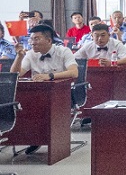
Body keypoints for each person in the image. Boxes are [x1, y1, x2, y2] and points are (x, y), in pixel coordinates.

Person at [10, 24, 79, 155]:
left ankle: (45, 139)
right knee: (21, 107)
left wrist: (50, 76)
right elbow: (14, 76)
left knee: (37, 108)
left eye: (36, 39)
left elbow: (74, 72)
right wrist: (19, 57)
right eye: (31, 39)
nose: (32, 42)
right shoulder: (30, 54)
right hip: (36, 96)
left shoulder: (64, 51)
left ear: (48, 40)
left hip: (61, 95)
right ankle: (33, 138)